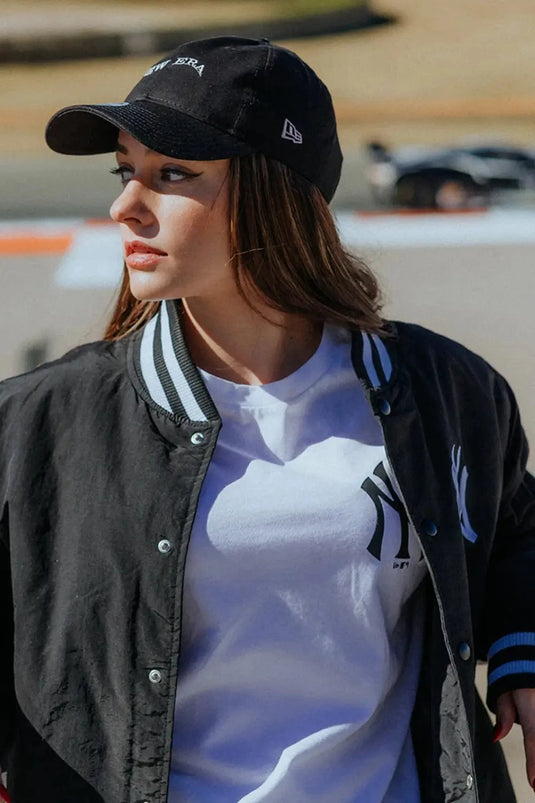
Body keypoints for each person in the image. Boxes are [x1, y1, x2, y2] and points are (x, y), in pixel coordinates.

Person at [1, 35, 534, 803]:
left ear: (276, 194)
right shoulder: (36, 424)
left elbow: (513, 529)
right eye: (126, 170)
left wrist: (521, 652)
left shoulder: (445, 392)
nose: (125, 205)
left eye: (171, 174)